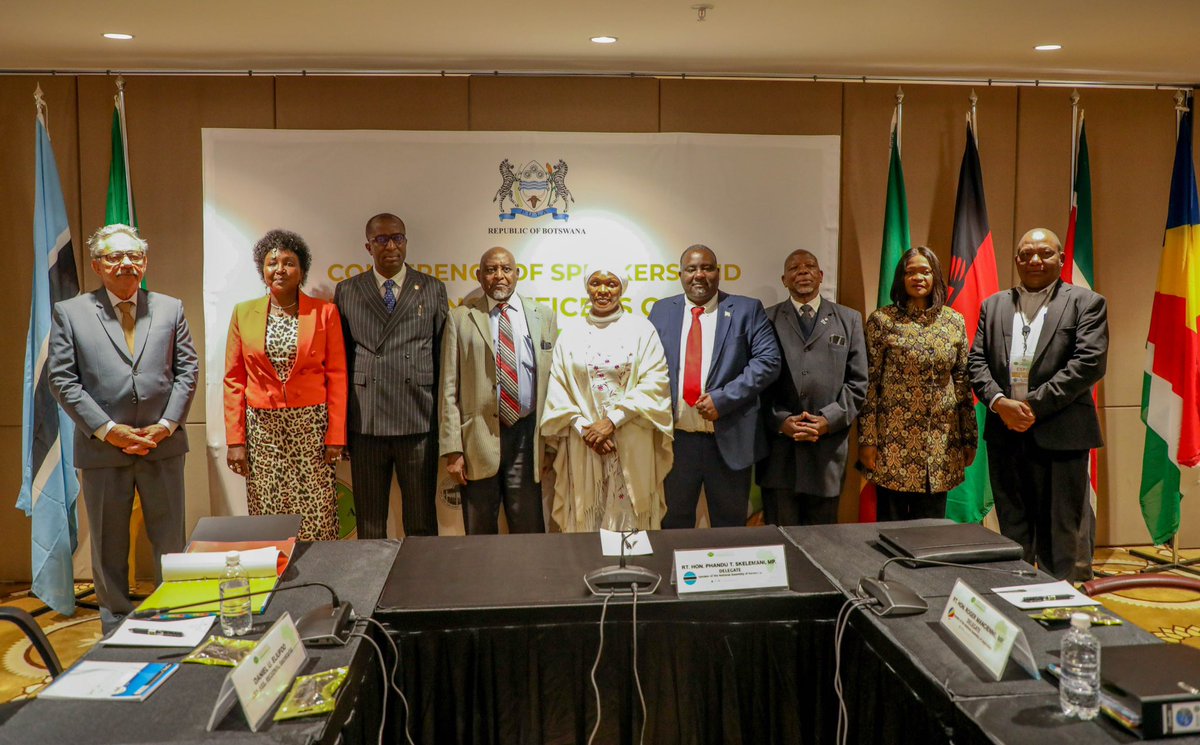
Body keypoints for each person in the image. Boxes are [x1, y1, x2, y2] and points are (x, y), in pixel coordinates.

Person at [48, 224, 198, 633]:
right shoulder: (71, 312)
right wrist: (108, 429)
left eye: (134, 255)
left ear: (145, 262)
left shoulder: (170, 308)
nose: (126, 263)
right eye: (114, 256)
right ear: (98, 265)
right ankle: (114, 624)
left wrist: (166, 425)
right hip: (103, 450)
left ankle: (175, 618)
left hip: (161, 446)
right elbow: (62, 379)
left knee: (169, 542)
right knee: (109, 545)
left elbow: (188, 371)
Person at [969, 228, 1108, 581]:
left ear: (1061, 259)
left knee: (1061, 531)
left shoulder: (1086, 303)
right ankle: (1015, 595)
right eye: (1026, 253)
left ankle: (1059, 605)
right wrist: (1000, 403)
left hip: (1061, 435)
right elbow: (977, 364)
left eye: (1045, 253)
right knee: (1012, 526)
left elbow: (1088, 363)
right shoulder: (994, 305)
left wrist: (1030, 407)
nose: (1034, 259)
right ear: (1016, 260)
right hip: (1005, 434)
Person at [224, 229, 348, 541]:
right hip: (262, 430)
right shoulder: (243, 313)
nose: (280, 269)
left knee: (317, 512)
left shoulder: (325, 312)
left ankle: (322, 579)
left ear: (302, 270)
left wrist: (335, 435)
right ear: (262, 270)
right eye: (272, 262)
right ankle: (275, 579)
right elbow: (234, 379)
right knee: (269, 511)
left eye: (289, 262)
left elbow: (337, 375)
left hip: (312, 429)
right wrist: (236, 442)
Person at [648, 245, 781, 529]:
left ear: (718, 273)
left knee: (729, 527)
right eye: (692, 269)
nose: (699, 275)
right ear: (681, 274)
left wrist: (723, 399)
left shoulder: (747, 309)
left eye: (707, 268)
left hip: (729, 440)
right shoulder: (661, 311)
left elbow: (768, 361)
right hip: (676, 441)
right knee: (673, 524)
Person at [334, 213, 448, 538]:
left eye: (398, 238)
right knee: (370, 522)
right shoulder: (348, 291)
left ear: (406, 242)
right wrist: (341, 427)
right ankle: (372, 587)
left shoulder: (431, 288)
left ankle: (421, 585)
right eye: (382, 240)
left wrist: (442, 423)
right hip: (367, 421)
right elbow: (341, 361)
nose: (391, 246)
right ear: (368, 246)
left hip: (418, 418)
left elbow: (443, 359)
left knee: (422, 520)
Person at [540, 266, 673, 532]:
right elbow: (558, 389)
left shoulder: (641, 330)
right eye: (596, 283)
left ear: (622, 287)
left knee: (633, 518)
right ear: (586, 287)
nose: (603, 291)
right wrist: (586, 430)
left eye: (611, 283)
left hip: (632, 439)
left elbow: (655, 382)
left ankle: (633, 572)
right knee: (587, 518)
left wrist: (612, 421)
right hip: (583, 444)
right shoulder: (571, 334)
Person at [440, 247, 558, 534]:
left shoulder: (543, 316)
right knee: (480, 529)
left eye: (506, 269)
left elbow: (553, 381)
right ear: (480, 276)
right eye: (491, 269)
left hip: (527, 435)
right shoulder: (460, 318)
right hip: (477, 437)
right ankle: (482, 579)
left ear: (517, 274)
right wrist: (452, 449)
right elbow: (449, 387)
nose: (499, 276)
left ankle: (531, 579)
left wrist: (552, 444)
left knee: (529, 525)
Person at [858, 246, 977, 521]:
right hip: (893, 442)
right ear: (901, 279)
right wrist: (867, 440)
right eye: (910, 272)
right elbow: (869, 384)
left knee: (931, 531)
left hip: (941, 444)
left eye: (925, 271)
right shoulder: (882, 320)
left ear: (935, 276)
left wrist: (968, 436)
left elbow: (962, 381)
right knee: (891, 528)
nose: (918, 277)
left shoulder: (953, 321)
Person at [759, 250, 868, 525]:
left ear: (821, 276)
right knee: (780, 542)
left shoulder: (849, 319)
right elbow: (757, 383)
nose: (803, 271)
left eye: (810, 266)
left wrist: (826, 421)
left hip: (826, 451)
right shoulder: (764, 320)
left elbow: (858, 383)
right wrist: (781, 421)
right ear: (784, 280)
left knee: (822, 543)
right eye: (794, 268)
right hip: (779, 454)